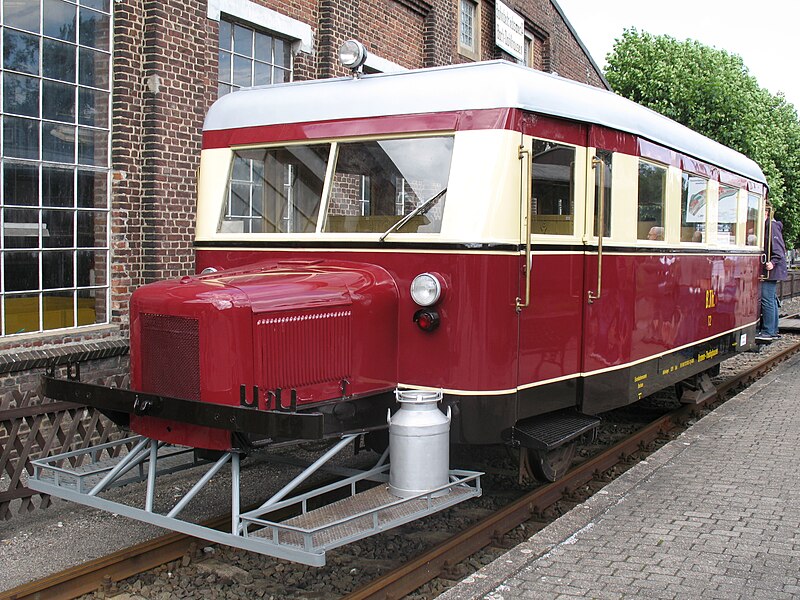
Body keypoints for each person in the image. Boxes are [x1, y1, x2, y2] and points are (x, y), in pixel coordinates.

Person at [756, 207, 787, 343]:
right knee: (771, 299)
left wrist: (772, 262)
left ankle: (768, 331)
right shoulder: (772, 225)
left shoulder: (771, 226)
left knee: (767, 298)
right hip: (774, 270)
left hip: (771, 270)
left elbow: (779, 250)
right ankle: (773, 330)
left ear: (766, 213)